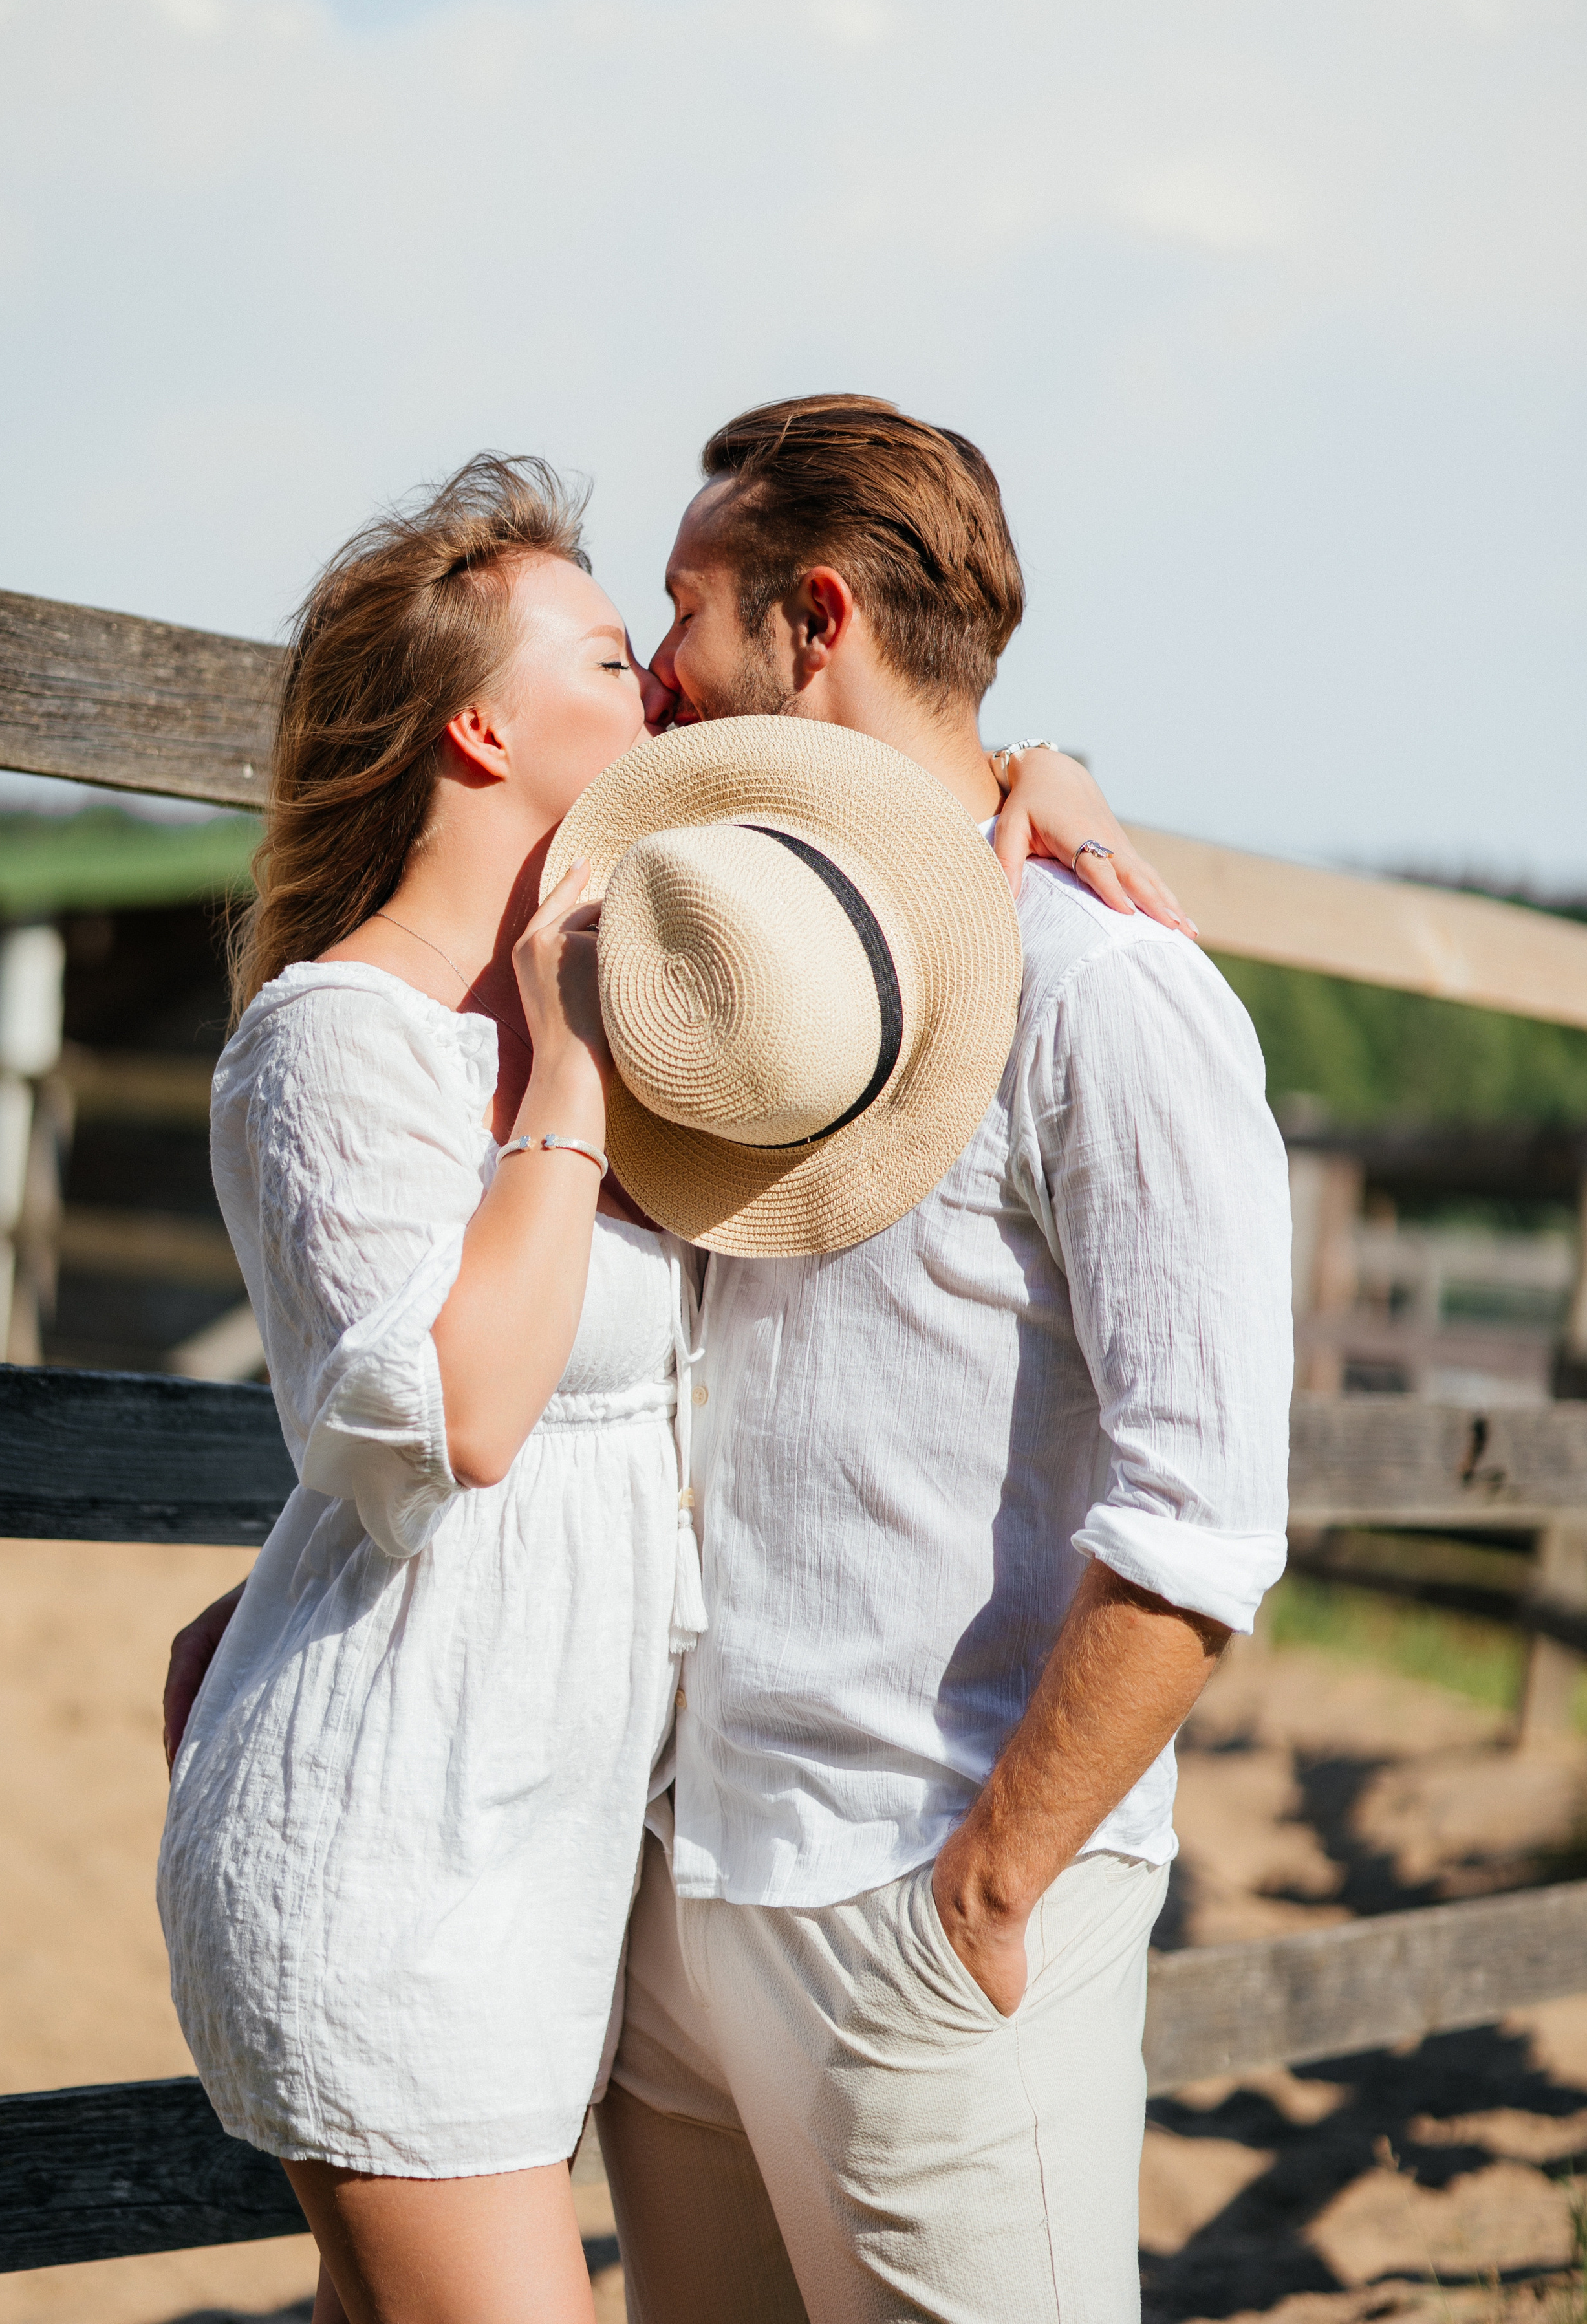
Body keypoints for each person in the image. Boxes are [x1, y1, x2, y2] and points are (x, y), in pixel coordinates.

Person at [157, 440, 1175, 2324]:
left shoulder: (653, 1007)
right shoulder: (341, 1043)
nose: (667, 687)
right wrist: (559, 1076)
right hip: (406, 1853)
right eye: (615, 657)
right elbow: (454, 1417)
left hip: (565, 1876)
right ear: (478, 733)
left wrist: (1030, 777)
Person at [579, 395, 1296, 2324]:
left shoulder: (1110, 996)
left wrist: (989, 1891)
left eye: (688, 607)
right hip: (688, 1888)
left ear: (815, 621)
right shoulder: (717, 951)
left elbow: (1205, 1513)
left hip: (932, 1908)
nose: (658, 668)